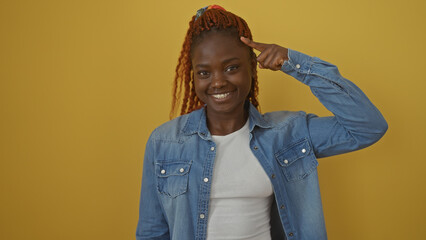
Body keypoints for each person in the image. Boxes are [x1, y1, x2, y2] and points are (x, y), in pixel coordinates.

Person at [136, 5, 387, 240]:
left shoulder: (289, 133)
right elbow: (151, 232)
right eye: (204, 73)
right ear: (193, 77)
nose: (218, 82)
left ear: (253, 69)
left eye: (231, 68)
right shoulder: (165, 142)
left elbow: (368, 126)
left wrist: (295, 63)